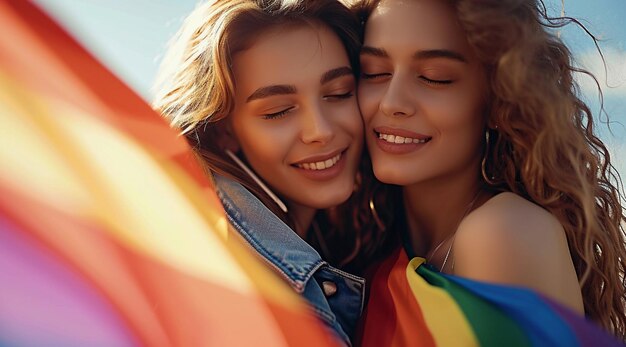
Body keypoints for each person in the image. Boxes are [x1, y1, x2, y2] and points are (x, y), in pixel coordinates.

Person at [351, 0, 626, 342]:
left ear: (500, 100)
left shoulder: (502, 232)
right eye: (375, 72)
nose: (392, 102)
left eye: (435, 78)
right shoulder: (375, 243)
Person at [152, 0, 384, 344]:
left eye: (339, 93)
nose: (319, 129)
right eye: (277, 111)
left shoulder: (326, 246)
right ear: (223, 131)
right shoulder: (233, 281)